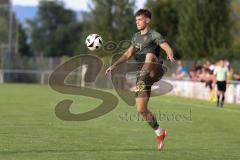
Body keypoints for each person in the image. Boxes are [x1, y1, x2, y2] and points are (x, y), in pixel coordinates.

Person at [105, 9, 175, 151]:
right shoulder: (135, 37)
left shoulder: (154, 35)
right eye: (136, 20)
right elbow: (127, 54)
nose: (137, 22)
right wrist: (113, 65)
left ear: (147, 20)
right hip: (142, 77)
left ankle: (140, 82)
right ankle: (160, 132)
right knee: (141, 110)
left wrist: (170, 54)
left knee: (150, 55)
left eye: (140, 20)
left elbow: (166, 47)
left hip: (155, 69)